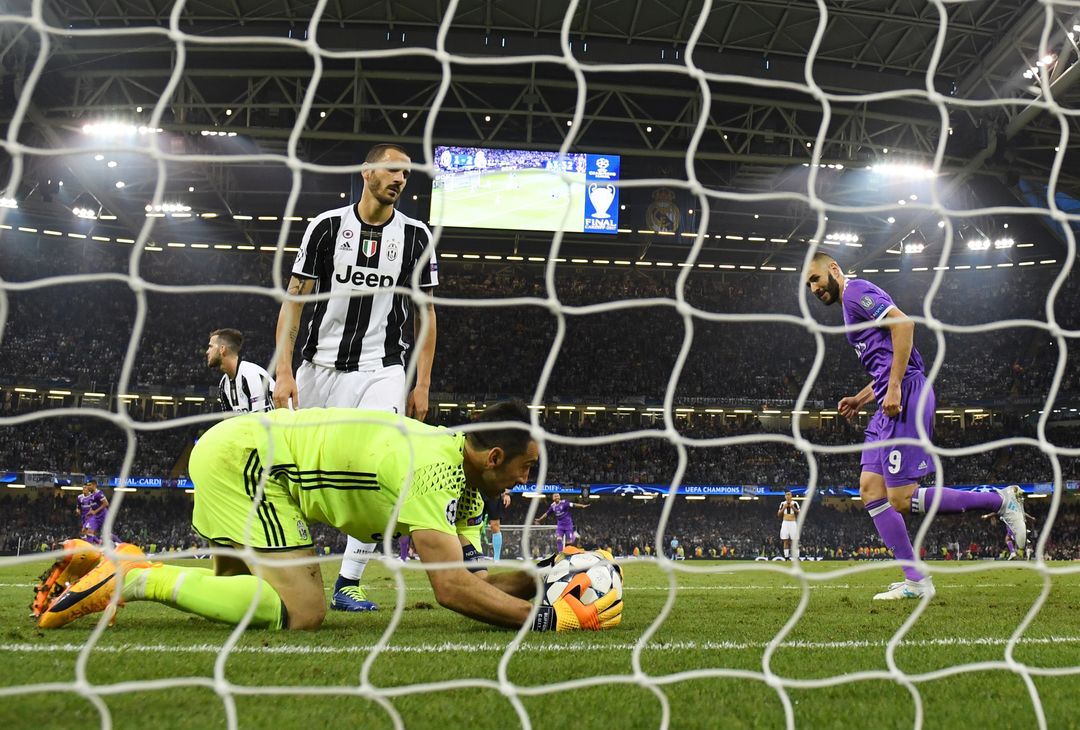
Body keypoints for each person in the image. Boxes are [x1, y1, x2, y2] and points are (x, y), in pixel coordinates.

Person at [38, 402, 622, 633]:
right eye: (524, 468)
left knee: (233, 598)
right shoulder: (434, 470)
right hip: (253, 462)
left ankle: (114, 564)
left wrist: (548, 575)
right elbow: (448, 591)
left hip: (255, 455)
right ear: (495, 457)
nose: (527, 480)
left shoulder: (469, 487)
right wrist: (546, 619)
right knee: (302, 613)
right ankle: (132, 575)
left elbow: (471, 581)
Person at [271, 142, 439, 613]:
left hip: (380, 370)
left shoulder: (416, 236)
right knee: (282, 469)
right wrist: (284, 370)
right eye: (391, 171)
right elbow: (295, 299)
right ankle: (271, 563)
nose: (400, 180)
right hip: (317, 370)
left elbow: (427, 315)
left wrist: (421, 383)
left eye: (406, 174)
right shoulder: (326, 228)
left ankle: (348, 582)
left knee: (383, 468)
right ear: (367, 172)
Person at [806, 252, 1028, 599]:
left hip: (906, 393)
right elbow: (886, 357)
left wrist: (893, 386)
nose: (813, 288)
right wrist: (862, 398)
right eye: (808, 284)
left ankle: (999, 501)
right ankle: (916, 580)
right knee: (870, 489)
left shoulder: (855, 292)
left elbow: (903, 325)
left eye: (815, 278)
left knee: (900, 497)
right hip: (886, 400)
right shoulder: (850, 307)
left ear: (833, 269)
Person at [206, 328, 275, 413]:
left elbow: (261, 421)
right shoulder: (223, 384)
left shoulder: (252, 376)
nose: (207, 351)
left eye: (210, 346)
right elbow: (228, 421)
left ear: (222, 349)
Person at [76, 479, 109, 545]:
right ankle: (90, 547)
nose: (88, 487)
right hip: (95, 516)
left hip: (103, 515)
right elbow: (92, 505)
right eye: (87, 485)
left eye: (89, 485)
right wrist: (90, 511)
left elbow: (106, 504)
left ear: (94, 485)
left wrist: (95, 511)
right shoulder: (90, 495)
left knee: (107, 534)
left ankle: (119, 543)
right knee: (86, 531)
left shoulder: (99, 493)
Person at [484, 489, 511, 560]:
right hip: (477, 491)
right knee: (474, 523)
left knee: (495, 525)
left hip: (494, 492)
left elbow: (505, 477)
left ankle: (496, 559)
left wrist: (507, 493)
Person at [777, 490, 800, 560]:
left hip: (793, 523)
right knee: (785, 541)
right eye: (786, 495)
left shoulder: (795, 503)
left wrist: (792, 507)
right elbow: (778, 514)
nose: (788, 496)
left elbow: (799, 512)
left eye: (789, 494)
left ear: (791, 496)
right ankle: (786, 557)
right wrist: (784, 507)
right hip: (785, 523)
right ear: (785, 496)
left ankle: (797, 557)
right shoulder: (782, 503)